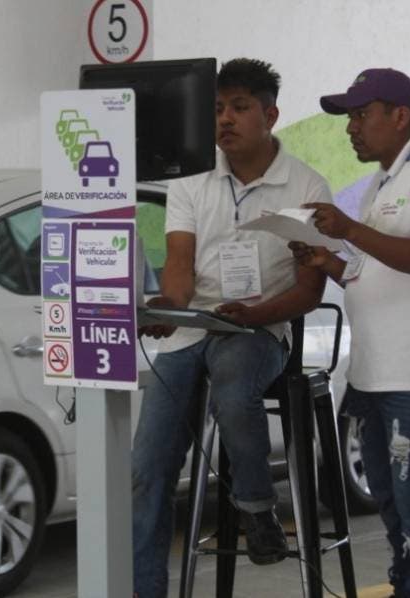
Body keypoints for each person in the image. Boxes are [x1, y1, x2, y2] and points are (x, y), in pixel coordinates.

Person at [132, 58, 330, 598]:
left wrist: (255, 315)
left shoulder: (306, 184)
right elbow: (179, 266)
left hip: (260, 330)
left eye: (239, 108)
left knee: (233, 384)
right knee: (147, 467)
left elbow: (310, 291)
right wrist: (166, 307)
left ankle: (258, 511)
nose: (225, 119)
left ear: (270, 115)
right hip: (194, 329)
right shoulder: (190, 179)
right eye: (218, 108)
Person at [291, 68, 410, 598]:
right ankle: (407, 587)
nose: (351, 127)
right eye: (349, 117)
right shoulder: (385, 181)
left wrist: (349, 228)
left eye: (361, 114)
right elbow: (372, 270)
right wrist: (328, 262)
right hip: (371, 375)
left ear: (400, 115)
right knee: (390, 504)